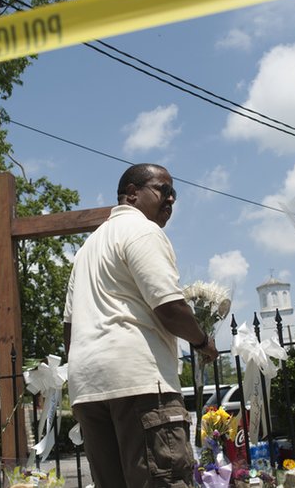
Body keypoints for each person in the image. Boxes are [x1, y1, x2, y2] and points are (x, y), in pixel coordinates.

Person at [63, 163, 220, 488]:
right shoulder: (143, 231)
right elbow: (169, 307)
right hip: (140, 386)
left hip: (88, 390)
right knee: (163, 480)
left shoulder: (86, 250)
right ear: (131, 194)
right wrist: (203, 342)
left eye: (174, 193)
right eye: (164, 190)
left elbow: (69, 329)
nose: (171, 200)